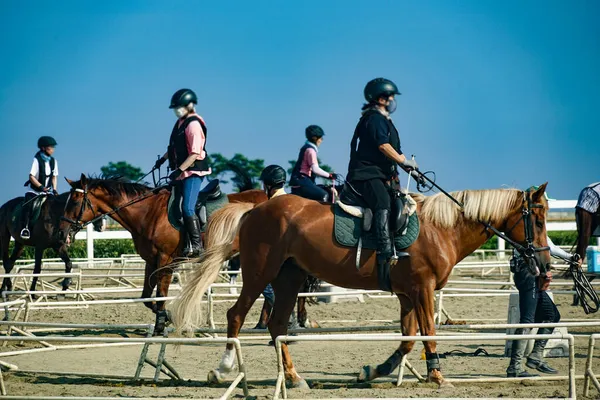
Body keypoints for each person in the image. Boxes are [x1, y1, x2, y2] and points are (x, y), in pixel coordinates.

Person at [346, 78, 421, 291]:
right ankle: (384, 252)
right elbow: (383, 146)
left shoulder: (385, 120)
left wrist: (410, 168)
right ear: (381, 99)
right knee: (383, 204)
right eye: (391, 97)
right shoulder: (374, 119)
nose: (393, 101)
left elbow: (395, 149)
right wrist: (402, 161)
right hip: (367, 175)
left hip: (382, 174)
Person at [506, 188, 576, 377]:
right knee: (527, 320)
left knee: (551, 314)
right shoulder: (523, 225)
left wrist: (570, 257)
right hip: (527, 272)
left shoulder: (535, 227)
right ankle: (515, 366)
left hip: (533, 273)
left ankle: (535, 356)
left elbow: (549, 246)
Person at [153, 89, 211, 257]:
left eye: (179, 107)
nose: (176, 110)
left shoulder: (194, 125)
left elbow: (194, 153)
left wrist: (179, 169)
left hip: (194, 172)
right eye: (175, 108)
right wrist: (162, 160)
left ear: (189, 106)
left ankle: (197, 244)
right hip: (182, 172)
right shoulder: (180, 123)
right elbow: (173, 147)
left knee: (187, 207)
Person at [21, 136, 59, 239]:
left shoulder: (53, 161)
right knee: (28, 206)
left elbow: (54, 177)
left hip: (47, 191)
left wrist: (54, 189)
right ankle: (25, 228)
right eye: (51, 147)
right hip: (34, 190)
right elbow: (31, 176)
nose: (53, 149)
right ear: (43, 148)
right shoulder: (36, 160)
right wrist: (41, 187)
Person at [289, 125, 338, 202]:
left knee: (326, 189)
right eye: (320, 137)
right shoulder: (310, 150)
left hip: (302, 180)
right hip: (302, 181)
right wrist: (330, 175)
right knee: (324, 195)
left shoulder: (307, 148)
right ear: (314, 138)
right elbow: (315, 169)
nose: (322, 140)